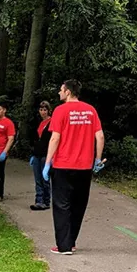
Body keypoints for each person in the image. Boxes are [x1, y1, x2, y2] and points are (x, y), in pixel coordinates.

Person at [42, 79, 105, 255]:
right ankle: (71, 241)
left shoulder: (60, 110)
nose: (59, 93)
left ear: (68, 91)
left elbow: (55, 138)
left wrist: (47, 163)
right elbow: (99, 136)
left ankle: (64, 246)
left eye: (61, 90)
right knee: (79, 204)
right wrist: (97, 159)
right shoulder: (91, 110)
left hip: (63, 164)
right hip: (85, 166)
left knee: (62, 204)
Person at [29, 102, 53, 210]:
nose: (42, 112)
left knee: (45, 179)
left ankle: (46, 201)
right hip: (37, 154)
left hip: (46, 154)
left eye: (45, 110)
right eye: (41, 109)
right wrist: (33, 154)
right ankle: (39, 200)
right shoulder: (39, 123)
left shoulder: (52, 122)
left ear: (48, 110)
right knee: (37, 178)